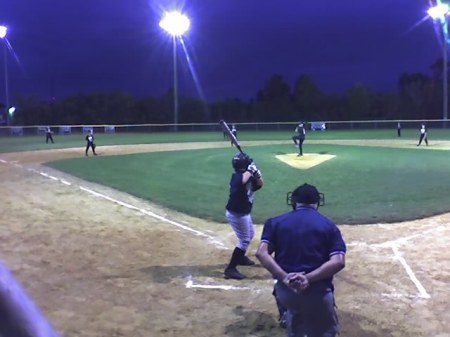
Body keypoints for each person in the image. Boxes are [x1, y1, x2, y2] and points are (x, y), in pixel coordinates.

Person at [256, 183, 346, 337]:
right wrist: (307, 278)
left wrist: (285, 277)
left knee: (294, 318)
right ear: (317, 202)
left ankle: (290, 321)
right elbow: (338, 262)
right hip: (318, 294)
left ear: (293, 201)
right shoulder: (329, 226)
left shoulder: (275, 222)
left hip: (286, 293)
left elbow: (261, 253)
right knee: (324, 330)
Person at [224, 152, 264, 280]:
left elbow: (259, 185)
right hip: (236, 213)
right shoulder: (236, 177)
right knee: (245, 239)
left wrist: (257, 174)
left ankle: (240, 257)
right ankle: (230, 268)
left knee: (250, 234)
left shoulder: (248, 176)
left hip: (243, 212)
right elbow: (240, 182)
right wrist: (250, 170)